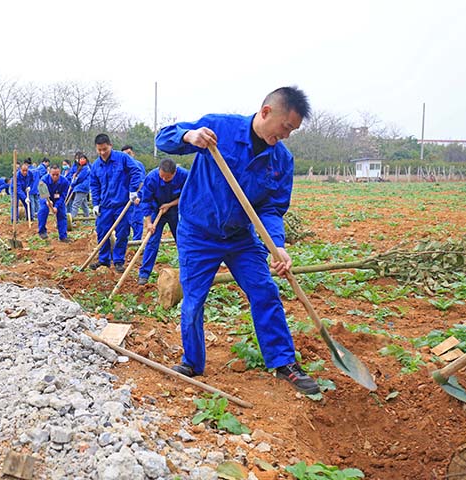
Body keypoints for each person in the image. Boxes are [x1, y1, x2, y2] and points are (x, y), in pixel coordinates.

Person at [154, 86, 319, 395]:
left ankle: (284, 362)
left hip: (240, 237)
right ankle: (192, 362)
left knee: (265, 291)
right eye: (285, 127)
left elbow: (270, 208)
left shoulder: (281, 160)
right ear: (267, 112)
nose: (286, 135)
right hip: (198, 233)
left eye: (292, 131)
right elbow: (163, 138)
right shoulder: (219, 128)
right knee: (193, 300)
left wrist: (276, 245)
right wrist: (189, 137)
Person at [90, 134, 144, 272]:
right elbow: (94, 185)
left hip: (122, 205)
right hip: (105, 206)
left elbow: (136, 171)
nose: (102, 153)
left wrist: (133, 190)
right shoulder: (96, 165)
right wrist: (95, 203)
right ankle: (104, 260)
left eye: (105, 149)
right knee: (103, 232)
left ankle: (119, 260)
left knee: (122, 233)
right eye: (99, 150)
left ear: (110, 146)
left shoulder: (123, 158)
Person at [137, 158, 188, 285]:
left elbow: (187, 196)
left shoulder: (185, 175)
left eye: (168, 178)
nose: (164, 180)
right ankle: (144, 274)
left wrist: (169, 205)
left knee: (182, 240)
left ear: (175, 173)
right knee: (152, 241)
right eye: (162, 177)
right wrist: (149, 223)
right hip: (156, 210)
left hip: (175, 210)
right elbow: (146, 201)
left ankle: (188, 271)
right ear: (159, 171)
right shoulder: (152, 178)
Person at [37, 164, 70, 242]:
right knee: (43, 211)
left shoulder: (64, 182)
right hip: (45, 198)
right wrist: (47, 201)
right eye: (53, 175)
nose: (55, 177)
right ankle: (42, 231)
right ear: (49, 173)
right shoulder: (43, 180)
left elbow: (63, 196)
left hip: (58, 199)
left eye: (57, 175)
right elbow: (41, 194)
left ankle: (63, 236)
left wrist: (56, 207)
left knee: (62, 214)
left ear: (60, 173)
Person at [121, 145, 147, 241]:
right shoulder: (120, 166)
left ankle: (136, 242)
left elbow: (142, 182)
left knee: (137, 220)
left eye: (129, 153)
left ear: (133, 154)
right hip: (123, 198)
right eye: (125, 155)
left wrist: (138, 195)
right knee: (123, 222)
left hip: (135, 197)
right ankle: (124, 241)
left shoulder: (138, 165)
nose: (128, 156)